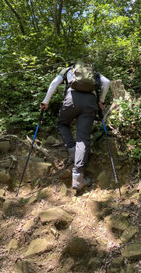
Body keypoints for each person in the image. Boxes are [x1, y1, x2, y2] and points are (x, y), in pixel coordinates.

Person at [40, 61, 110, 190]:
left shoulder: (68, 70)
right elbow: (107, 82)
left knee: (62, 123)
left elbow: (54, 83)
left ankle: (72, 150)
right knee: (83, 137)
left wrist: (46, 101)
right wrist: (101, 100)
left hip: (71, 98)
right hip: (90, 102)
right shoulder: (94, 73)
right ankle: (78, 177)